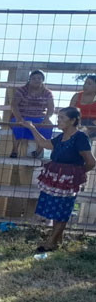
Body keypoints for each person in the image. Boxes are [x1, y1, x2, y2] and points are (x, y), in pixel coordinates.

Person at [23, 108, 96, 251]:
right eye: (59, 117)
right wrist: (32, 128)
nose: (59, 120)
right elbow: (44, 143)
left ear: (73, 120)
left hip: (67, 180)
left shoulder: (80, 137)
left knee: (62, 210)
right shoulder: (62, 137)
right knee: (57, 209)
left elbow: (91, 162)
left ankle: (51, 242)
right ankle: (58, 241)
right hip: (55, 177)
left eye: (62, 118)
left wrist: (77, 173)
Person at [10, 70, 54, 158]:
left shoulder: (47, 93)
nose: (36, 80)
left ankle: (38, 151)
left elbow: (51, 107)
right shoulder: (22, 90)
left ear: (42, 80)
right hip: (23, 116)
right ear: (29, 80)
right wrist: (19, 118)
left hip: (40, 117)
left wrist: (46, 119)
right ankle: (15, 150)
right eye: (34, 78)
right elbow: (14, 105)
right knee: (17, 124)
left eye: (39, 78)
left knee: (48, 125)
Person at [70, 75, 96, 139]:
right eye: (85, 83)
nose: (85, 85)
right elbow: (70, 112)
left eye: (89, 84)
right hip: (79, 121)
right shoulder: (77, 96)